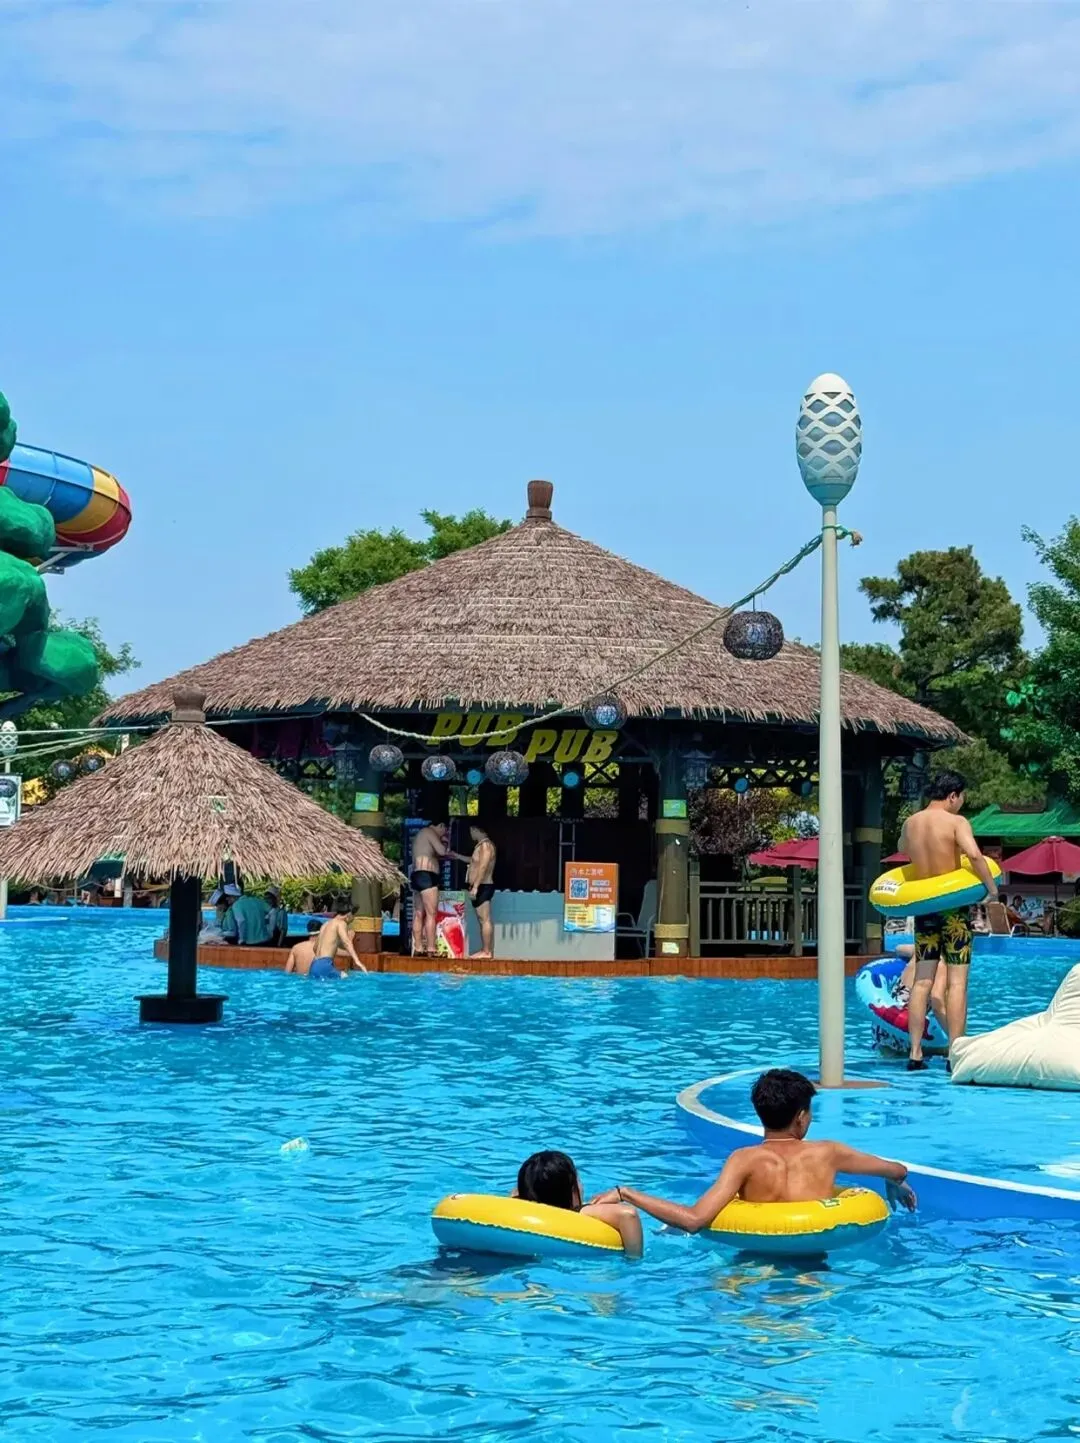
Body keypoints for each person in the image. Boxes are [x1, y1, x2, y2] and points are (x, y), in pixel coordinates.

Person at [591, 1069, 915, 1232]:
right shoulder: (828, 1153)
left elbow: (693, 1220)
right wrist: (892, 1182)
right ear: (801, 1118)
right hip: (814, 1266)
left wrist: (626, 1193)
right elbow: (898, 1169)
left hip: (753, 1266)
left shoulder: (744, 1160)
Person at [898, 770, 999, 1069]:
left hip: (925, 907)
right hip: (954, 910)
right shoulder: (956, 822)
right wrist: (991, 891)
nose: (961, 803)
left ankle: (915, 1053)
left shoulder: (910, 823)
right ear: (953, 796)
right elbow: (975, 855)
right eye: (961, 797)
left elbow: (903, 848)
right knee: (957, 984)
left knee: (921, 982)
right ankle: (956, 1053)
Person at [514, 1150, 643, 1257]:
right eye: (578, 1180)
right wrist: (633, 1259)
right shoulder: (579, 1212)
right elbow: (628, 1214)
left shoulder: (522, 1209)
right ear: (571, 1190)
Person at [410, 820, 452, 956]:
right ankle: (431, 948)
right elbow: (442, 851)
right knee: (431, 914)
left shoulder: (420, 835)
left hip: (417, 874)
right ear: (441, 825)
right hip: (427, 875)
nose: (444, 833)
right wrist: (445, 841)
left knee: (418, 913)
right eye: (445, 830)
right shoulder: (430, 832)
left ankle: (418, 947)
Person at [308, 903, 368, 978]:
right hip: (325, 964)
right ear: (348, 915)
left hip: (314, 965)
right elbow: (346, 942)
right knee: (346, 978)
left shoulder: (325, 924)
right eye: (354, 915)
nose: (353, 918)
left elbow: (315, 948)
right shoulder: (341, 923)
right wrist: (357, 961)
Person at [465, 825, 497, 957]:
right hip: (479, 885)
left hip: (483, 885)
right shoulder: (481, 846)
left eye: (471, 831)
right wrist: (456, 856)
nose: (471, 834)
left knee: (485, 919)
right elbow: (474, 862)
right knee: (482, 919)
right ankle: (485, 950)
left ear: (476, 830)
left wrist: (476, 887)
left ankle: (486, 951)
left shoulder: (485, 846)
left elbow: (483, 866)